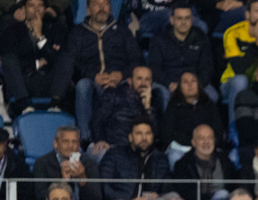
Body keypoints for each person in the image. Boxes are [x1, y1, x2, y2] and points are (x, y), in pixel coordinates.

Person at [63, 0, 143, 143]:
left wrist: (121, 75)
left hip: (120, 78)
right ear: (88, 10)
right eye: (96, 4)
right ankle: (85, 139)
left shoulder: (122, 30)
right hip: (92, 79)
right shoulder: (78, 32)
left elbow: (136, 60)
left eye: (105, 4)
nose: (101, 8)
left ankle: (128, 138)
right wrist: (93, 76)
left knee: (134, 86)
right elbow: (71, 63)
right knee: (83, 86)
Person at [219, 0, 258, 143]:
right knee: (241, 80)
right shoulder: (232, 33)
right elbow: (238, 68)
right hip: (231, 83)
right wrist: (256, 45)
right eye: (257, 11)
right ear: (247, 15)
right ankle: (234, 137)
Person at [98, 119, 177, 200]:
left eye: (148, 133)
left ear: (153, 137)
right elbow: (104, 187)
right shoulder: (115, 154)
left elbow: (167, 188)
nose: (144, 138)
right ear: (130, 137)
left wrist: (158, 196)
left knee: (174, 197)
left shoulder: (161, 158)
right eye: (139, 133)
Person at [0, 0, 71, 118]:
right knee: (8, 59)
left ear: (45, 9)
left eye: (40, 6)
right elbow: (10, 62)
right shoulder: (11, 31)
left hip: (48, 83)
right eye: (32, 6)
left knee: (66, 57)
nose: (36, 9)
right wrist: (38, 63)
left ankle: (55, 104)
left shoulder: (56, 29)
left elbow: (56, 60)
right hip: (23, 83)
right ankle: (24, 106)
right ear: (24, 9)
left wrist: (40, 37)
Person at [31, 126, 103, 200]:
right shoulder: (42, 163)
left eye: (74, 142)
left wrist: (82, 178)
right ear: (56, 143)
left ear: (79, 145)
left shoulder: (89, 164)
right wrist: (62, 182)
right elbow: (40, 197)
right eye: (66, 141)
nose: (70, 146)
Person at [170, 124, 233, 200]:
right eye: (201, 138)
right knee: (221, 197)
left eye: (209, 138)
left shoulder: (225, 161)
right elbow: (185, 193)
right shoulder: (183, 164)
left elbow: (234, 186)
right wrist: (210, 199)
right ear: (193, 142)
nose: (206, 142)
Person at [148, 5, 214, 96]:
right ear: (172, 20)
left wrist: (196, 85)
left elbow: (207, 67)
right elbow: (154, 67)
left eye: (187, 18)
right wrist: (169, 84)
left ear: (192, 20)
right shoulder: (159, 39)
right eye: (179, 18)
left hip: (194, 82)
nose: (183, 22)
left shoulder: (201, 37)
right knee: (161, 94)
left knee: (212, 95)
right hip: (167, 83)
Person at [160, 72, 225, 155]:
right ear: (179, 86)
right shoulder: (173, 106)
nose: (190, 84)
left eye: (193, 81)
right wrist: (191, 144)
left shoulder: (208, 104)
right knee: (174, 156)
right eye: (185, 82)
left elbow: (218, 131)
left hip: (206, 148)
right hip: (181, 148)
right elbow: (167, 134)